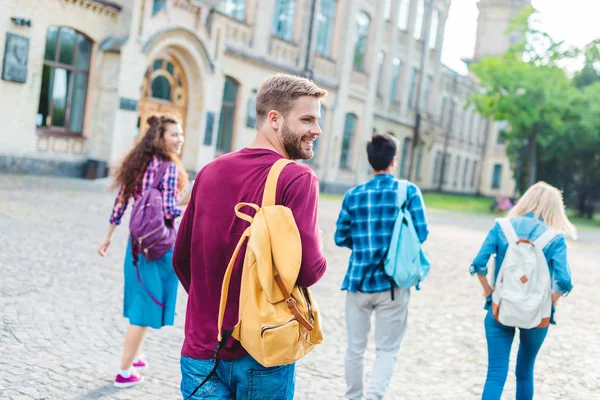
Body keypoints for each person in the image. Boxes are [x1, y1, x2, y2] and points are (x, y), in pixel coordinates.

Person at [172, 73, 328, 399]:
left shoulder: (210, 171)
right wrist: (320, 246)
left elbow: (181, 259)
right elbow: (308, 271)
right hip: (263, 351)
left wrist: (214, 308)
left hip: (202, 350)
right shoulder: (296, 178)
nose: (317, 129)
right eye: (307, 119)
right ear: (274, 119)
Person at [334, 133, 429, 400]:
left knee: (355, 348)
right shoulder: (408, 192)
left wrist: (364, 246)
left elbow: (340, 236)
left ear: (369, 160)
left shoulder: (353, 195)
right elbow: (420, 233)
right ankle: (374, 396)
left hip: (358, 282)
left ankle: (353, 397)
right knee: (387, 349)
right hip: (393, 283)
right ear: (394, 161)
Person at [98, 115, 188, 388]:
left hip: (137, 244)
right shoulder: (170, 169)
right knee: (145, 307)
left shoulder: (138, 163)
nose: (179, 139)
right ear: (160, 138)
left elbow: (122, 200)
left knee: (141, 297)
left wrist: (109, 236)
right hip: (159, 245)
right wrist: (190, 201)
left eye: (181, 134)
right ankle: (124, 372)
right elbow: (170, 210)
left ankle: (135, 355)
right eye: (174, 134)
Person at [470, 182, 576, 400]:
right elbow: (564, 281)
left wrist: (488, 290)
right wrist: (551, 301)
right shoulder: (554, 237)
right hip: (538, 315)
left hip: (500, 307)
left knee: (495, 374)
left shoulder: (503, 227)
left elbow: (479, 263)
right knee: (525, 373)